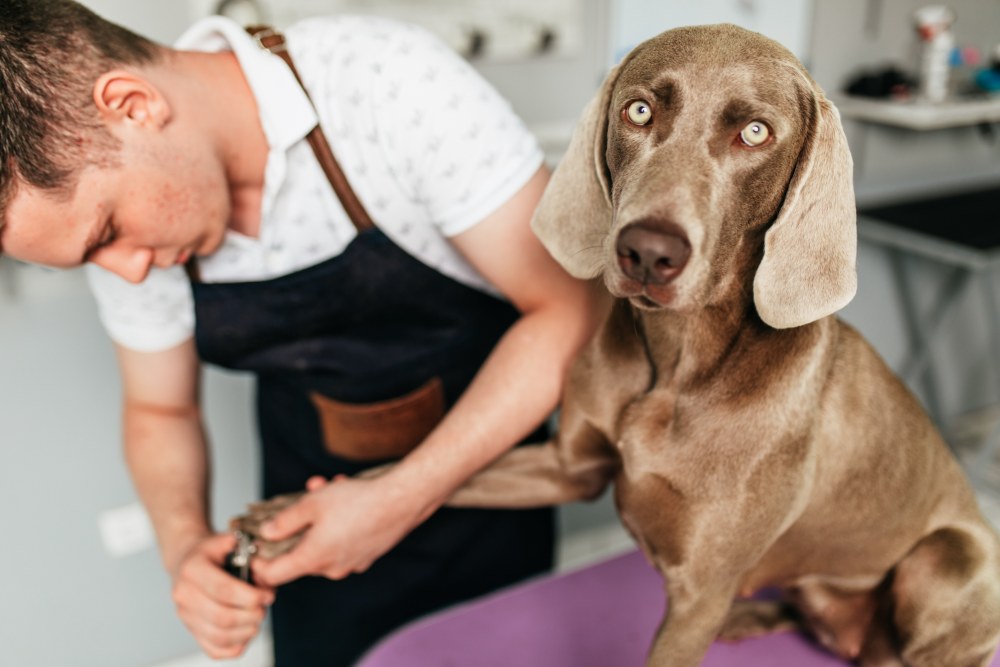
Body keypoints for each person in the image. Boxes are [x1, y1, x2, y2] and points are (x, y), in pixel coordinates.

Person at [0, 1, 599, 665]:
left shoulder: (388, 86)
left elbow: (569, 310)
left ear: (132, 105)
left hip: (489, 489)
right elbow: (159, 408)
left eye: (108, 232)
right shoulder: (124, 222)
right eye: (94, 256)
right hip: (305, 525)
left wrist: (397, 498)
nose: (128, 270)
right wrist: (183, 548)